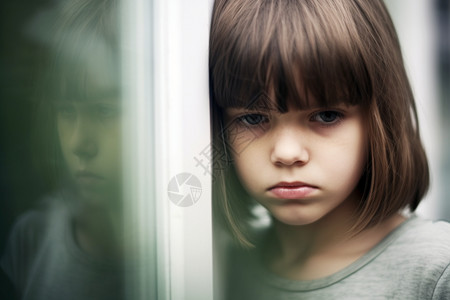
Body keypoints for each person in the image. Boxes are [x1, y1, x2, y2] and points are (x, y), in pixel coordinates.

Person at [209, 0, 450, 299]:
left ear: (379, 119)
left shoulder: (437, 272)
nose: (286, 153)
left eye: (326, 116)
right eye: (254, 118)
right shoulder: (218, 265)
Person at [0, 0, 127, 299]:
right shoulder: (32, 240)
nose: (78, 143)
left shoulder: (189, 251)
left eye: (106, 111)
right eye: (66, 111)